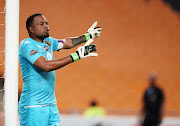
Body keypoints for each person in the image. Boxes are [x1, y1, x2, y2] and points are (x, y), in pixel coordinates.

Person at [18, 13, 102, 126]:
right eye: (41, 24)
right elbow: (46, 66)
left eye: (47, 23)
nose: (46, 26)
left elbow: (67, 42)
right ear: (31, 29)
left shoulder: (48, 42)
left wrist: (87, 36)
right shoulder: (27, 45)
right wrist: (75, 56)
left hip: (51, 105)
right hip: (34, 106)